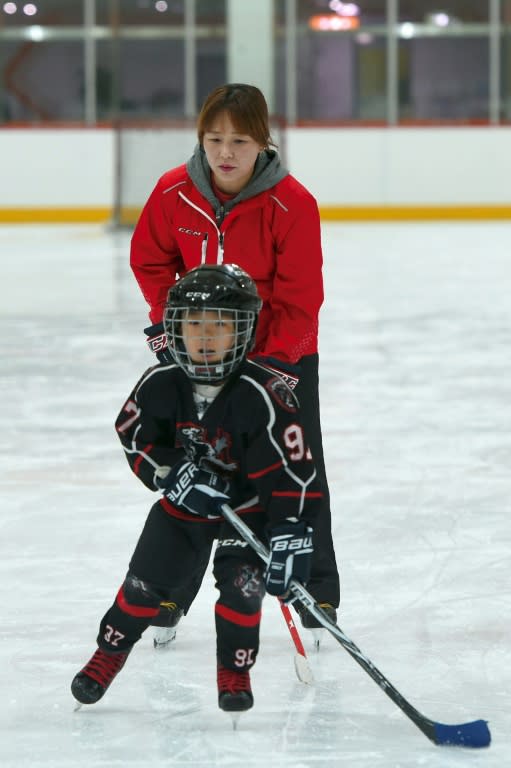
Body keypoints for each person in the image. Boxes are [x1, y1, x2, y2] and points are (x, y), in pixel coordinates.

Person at [130, 82, 339, 639]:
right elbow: (151, 260)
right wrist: (166, 325)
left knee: (296, 476)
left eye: (239, 141)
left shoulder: (292, 203)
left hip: (280, 364)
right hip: (201, 361)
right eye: (214, 138)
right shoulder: (174, 191)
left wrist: (269, 368)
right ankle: (172, 596)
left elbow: (301, 299)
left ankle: (315, 593)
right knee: (199, 476)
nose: (225, 153)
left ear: (262, 143)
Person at [71, 264, 319, 714]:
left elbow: (292, 471)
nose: (206, 337)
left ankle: (234, 671)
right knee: (142, 587)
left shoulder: (264, 393)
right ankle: (107, 655)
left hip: (245, 512)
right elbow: (133, 436)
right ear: (176, 329)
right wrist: (169, 474)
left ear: (243, 332)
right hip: (181, 511)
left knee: (243, 591)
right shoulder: (160, 383)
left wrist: (289, 531)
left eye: (220, 326)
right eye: (194, 324)